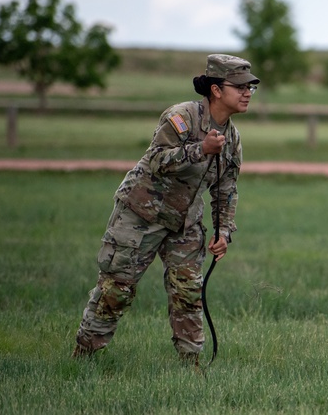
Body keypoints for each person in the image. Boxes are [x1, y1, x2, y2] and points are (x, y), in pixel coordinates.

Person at [72, 54, 259, 365]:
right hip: (141, 216)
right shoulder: (181, 117)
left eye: (251, 88)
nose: (246, 93)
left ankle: (191, 367)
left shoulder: (233, 138)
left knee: (188, 293)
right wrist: (201, 149)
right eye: (239, 86)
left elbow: (226, 189)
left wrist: (224, 231)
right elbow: (158, 160)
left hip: (184, 223)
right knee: (116, 290)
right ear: (216, 90)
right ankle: (82, 358)